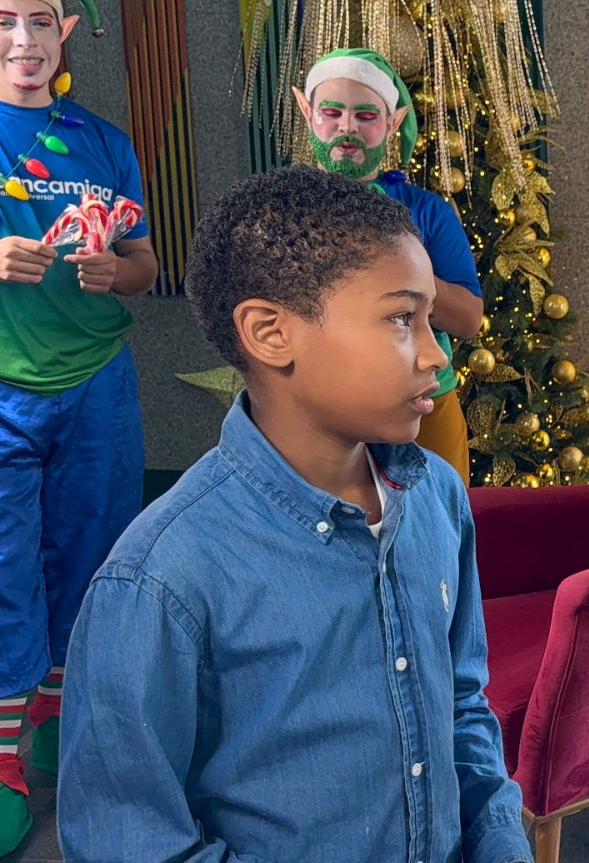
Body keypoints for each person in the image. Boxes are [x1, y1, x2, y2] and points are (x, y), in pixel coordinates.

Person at [57, 166, 532, 862]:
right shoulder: (158, 580)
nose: (436, 354)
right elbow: (129, 843)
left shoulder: (436, 496)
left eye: (430, 318)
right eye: (402, 318)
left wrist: (499, 845)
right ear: (270, 332)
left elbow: (462, 706)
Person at [0, 0, 156, 850]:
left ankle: (68, 721)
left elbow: (144, 262)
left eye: (40, 22)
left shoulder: (101, 141)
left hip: (96, 384)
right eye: (3, 21)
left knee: (94, 558)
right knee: (3, 569)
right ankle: (3, 758)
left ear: (65, 34)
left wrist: (117, 272)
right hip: (2, 389)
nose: (23, 41)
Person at [296, 46, 483, 483]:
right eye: (331, 112)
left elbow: (468, 319)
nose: (347, 127)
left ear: (393, 122)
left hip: (425, 402)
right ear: (307, 112)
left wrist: (401, 274)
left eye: (366, 115)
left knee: (439, 515)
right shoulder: (285, 210)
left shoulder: (427, 212)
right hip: (321, 407)